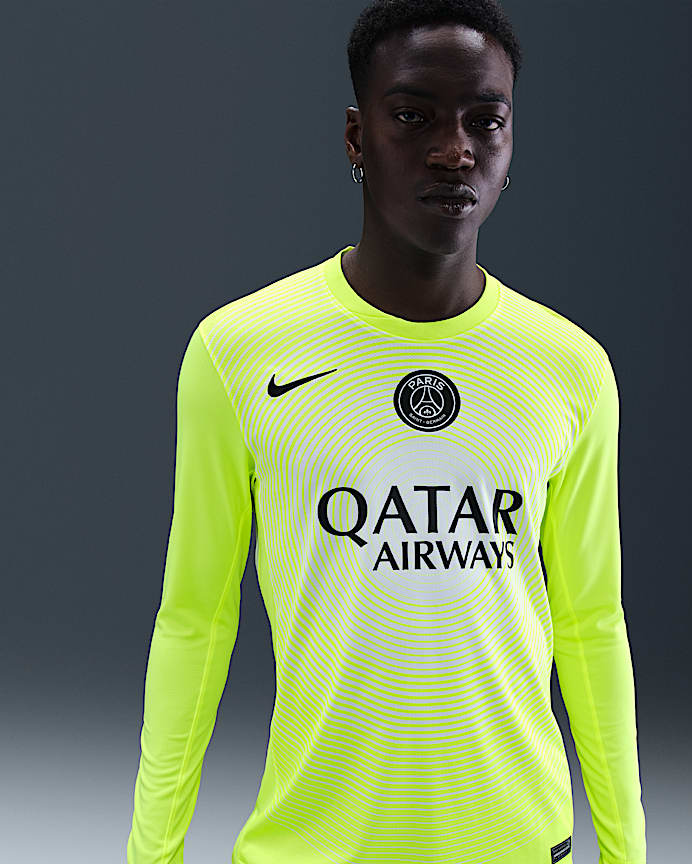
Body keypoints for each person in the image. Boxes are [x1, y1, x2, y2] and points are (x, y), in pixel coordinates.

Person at [126, 1, 647, 862]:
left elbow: (592, 621)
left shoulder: (570, 367)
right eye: (413, 116)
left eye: (486, 121)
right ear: (356, 137)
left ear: (511, 144)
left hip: (517, 844)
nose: (455, 150)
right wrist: (152, 853)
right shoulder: (238, 352)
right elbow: (194, 619)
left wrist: (628, 853)